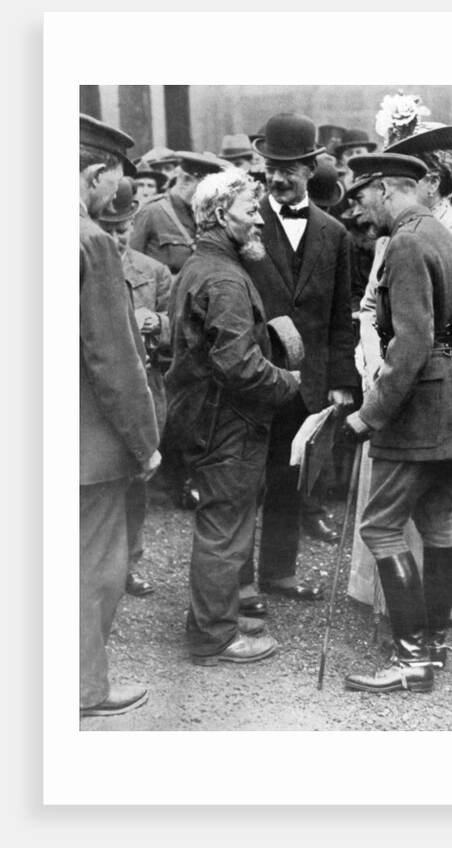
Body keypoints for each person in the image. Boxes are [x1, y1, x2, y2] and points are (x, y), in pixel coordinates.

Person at [343, 152, 452, 694]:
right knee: (437, 522)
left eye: (363, 197)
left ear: (387, 189)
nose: (361, 211)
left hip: (422, 407)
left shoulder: (406, 242)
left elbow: (411, 342)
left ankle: (411, 659)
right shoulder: (449, 233)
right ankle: (431, 643)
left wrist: (370, 414)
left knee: (379, 527)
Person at [165, 169, 301, 665]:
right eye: (250, 212)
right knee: (224, 527)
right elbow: (238, 364)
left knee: (224, 522)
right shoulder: (223, 277)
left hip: (207, 415)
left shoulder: (204, 265)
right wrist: (290, 383)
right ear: (222, 215)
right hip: (227, 422)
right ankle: (214, 637)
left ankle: (211, 616)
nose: (259, 222)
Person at [239, 112, 359, 611]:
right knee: (246, 480)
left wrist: (340, 383)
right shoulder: (242, 224)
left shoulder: (335, 234)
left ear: (312, 167)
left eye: (290, 166)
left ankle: (279, 572)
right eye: (272, 165)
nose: (279, 176)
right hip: (251, 376)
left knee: (290, 477)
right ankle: (239, 579)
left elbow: (339, 316)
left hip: (306, 384)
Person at [79, 114, 160, 717]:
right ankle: (83, 688)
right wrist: (145, 440)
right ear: (93, 172)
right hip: (84, 446)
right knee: (93, 567)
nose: (116, 195)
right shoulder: (90, 240)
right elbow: (113, 355)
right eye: (114, 179)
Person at [130, 150, 225, 508]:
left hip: (202, 319)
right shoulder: (154, 212)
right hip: (164, 321)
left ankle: (194, 475)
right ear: (186, 180)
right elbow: (131, 264)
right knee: (174, 398)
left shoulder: (205, 215)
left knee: (203, 398)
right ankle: (176, 478)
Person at [98, 177, 172, 598]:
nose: (114, 238)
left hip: (145, 389)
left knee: (136, 483)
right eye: (106, 228)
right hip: (102, 392)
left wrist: (156, 324)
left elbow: (177, 329)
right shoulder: (83, 257)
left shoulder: (154, 272)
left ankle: (130, 561)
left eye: (121, 229)